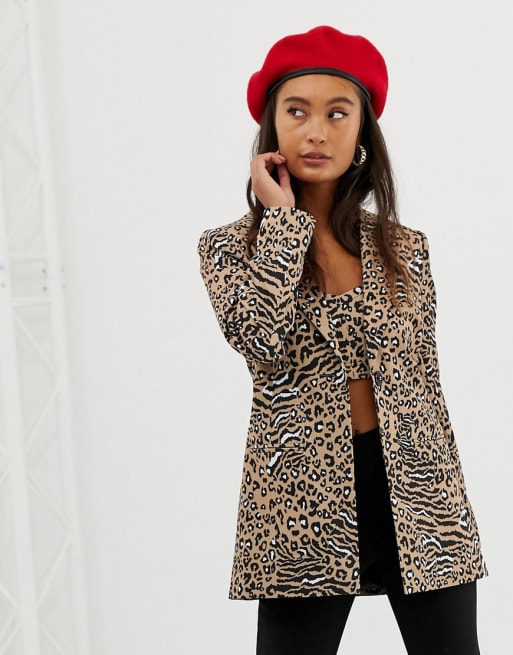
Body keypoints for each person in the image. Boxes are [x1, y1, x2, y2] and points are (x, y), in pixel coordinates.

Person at [197, 25, 487, 655]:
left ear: (362, 131)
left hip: (420, 494)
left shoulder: (404, 249)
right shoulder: (230, 248)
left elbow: (425, 387)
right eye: (296, 112)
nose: (316, 131)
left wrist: (449, 508)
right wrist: (283, 224)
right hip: (301, 505)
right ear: (272, 127)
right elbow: (256, 340)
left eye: (337, 113)